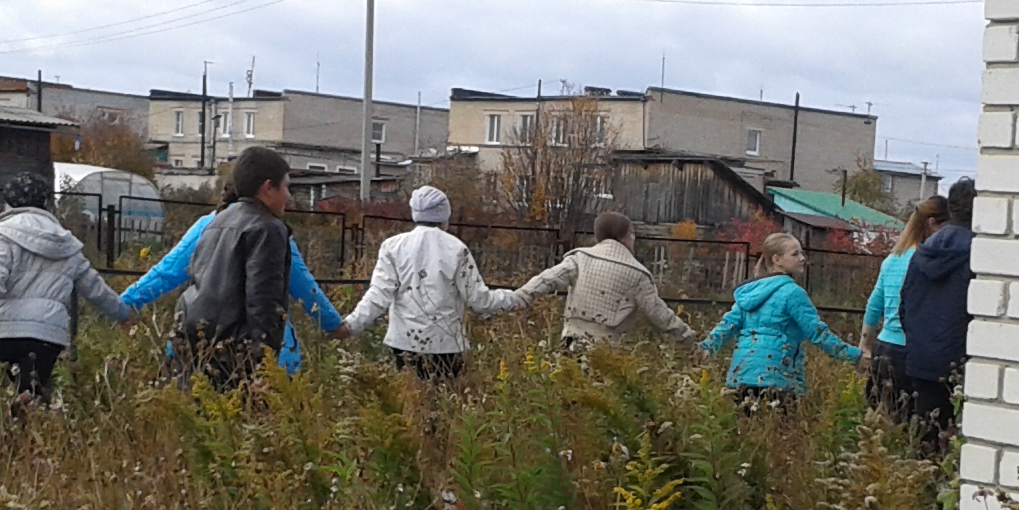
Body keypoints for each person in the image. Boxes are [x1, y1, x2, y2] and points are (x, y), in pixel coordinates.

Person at [0, 172, 133, 405]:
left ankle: (21, 407)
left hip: (3, 331)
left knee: (13, 390)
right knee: (36, 389)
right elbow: (95, 288)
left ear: (9, 203)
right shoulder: (66, 243)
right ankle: (28, 403)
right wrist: (123, 313)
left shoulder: (3, 235)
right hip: (47, 332)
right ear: (46, 203)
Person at [119, 183, 343, 376]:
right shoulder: (269, 230)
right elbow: (304, 286)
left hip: (197, 345)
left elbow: (166, 272)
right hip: (265, 353)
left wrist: (124, 304)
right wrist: (334, 324)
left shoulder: (208, 225)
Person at [340, 185, 526, 381]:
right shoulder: (456, 248)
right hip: (446, 346)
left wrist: (350, 325)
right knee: (444, 396)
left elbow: (378, 295)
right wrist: (514, 299)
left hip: (404, 343)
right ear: (445, 215)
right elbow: (480, 300)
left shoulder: (392, 247)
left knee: (408, 397)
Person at [175, 146, 295, 391]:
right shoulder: (267, 228)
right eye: (286, 187)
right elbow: (264, 300)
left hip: (196, 344)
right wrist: (265, 364)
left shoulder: (217, 222)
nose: (289, 196)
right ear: (268, 187)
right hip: (237, 355)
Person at [701, 231, 860, 411]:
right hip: (777, 376)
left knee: (747, 426)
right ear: (777, 259)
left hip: (742, 374)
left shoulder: (750, 293)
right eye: (795, 254)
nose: (802, 258)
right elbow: (817, 333)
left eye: (802, 253)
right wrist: (854, 356)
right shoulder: (793, 293)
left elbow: (727, 326)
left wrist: (705, 348)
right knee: (781, 425)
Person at [516, 210, 695, 349]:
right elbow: (658, 314)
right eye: (632, 234)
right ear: (624, 236)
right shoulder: (638, 274)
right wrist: (688, 339)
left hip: (571, 342)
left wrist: (520, 297)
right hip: (609, 351)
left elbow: (547, 279)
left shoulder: (580, 258)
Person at [894, 176, 976, 456]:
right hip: (963, 362)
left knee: (927, 441)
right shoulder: (980, 253)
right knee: (963, 445)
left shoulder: (922, 252)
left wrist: (918, 342)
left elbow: (904, 306)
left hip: (922, 358)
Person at [859, 196, 945, 427]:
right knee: (914, 424)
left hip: (885, 346)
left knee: (883, 421)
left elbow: (874, 304)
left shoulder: (893, 258)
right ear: (933, 224)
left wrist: (865, 344)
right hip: (913, 350)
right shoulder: (930, 262)